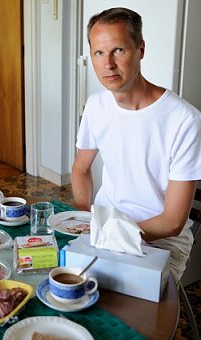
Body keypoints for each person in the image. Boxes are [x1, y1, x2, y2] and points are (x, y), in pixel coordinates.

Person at [72, 7, 201, 280]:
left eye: (118, 50)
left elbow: (172, 222)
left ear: (140, 49)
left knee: (131, 316)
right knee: (64, 291)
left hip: (160, 241)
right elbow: (81, 168)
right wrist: (86, 217)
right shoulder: (96, 105)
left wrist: (114, 234)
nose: (108, 64)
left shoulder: (184, 119)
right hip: (105, 226)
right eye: (98, 53)